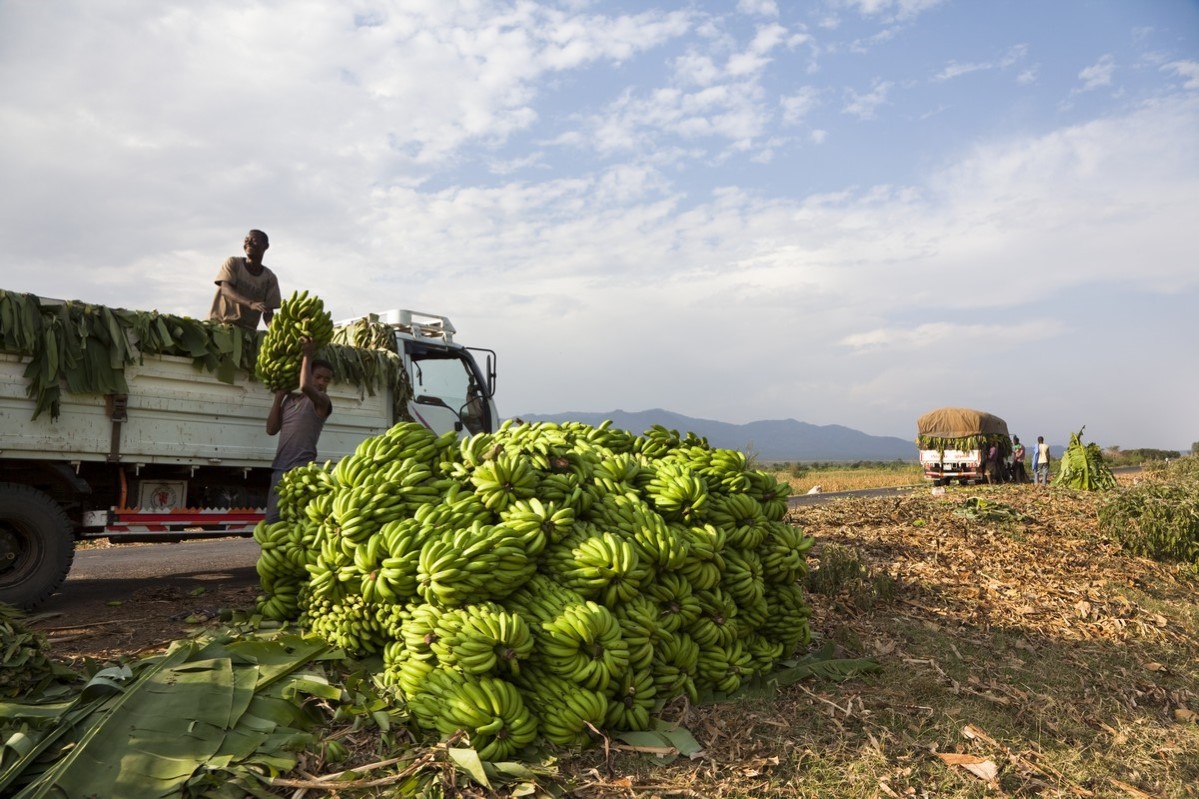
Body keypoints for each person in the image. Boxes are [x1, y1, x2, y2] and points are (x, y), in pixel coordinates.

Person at [264, 339, 333, 522]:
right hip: (279, 467)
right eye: (318, 377)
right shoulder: (289, 401)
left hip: (301, 469)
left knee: (293, 519)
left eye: (326, 380)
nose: (322, 383)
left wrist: (307, 354)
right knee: (272, 520)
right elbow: (271, 429)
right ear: (307, 375)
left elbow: (305, 387)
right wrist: (279, 397)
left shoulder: (322, 402)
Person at [210, 229, 281, 331]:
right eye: (246, 240)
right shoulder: (233, 263)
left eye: (254, 240)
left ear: (265, 246)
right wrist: (250, 304)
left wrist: (276, 331)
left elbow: (268, 313)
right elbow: (225, 289)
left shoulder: (269, 278)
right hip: (219, 326)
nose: (248, 243)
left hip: (246, 333)